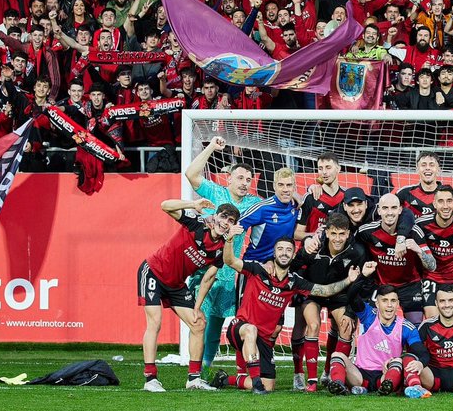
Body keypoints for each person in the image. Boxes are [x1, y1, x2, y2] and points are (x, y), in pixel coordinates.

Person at [215, 237, 357, 394]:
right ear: (274, 253)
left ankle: (225, 379)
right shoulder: (257, 269)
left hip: (263, 340)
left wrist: (349, 280)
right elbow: (229, 260)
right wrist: (228, 241)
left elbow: (325, 291)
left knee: (269, 386)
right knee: (251, 330)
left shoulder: (294, 282)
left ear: (293, 254)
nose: (284, 253)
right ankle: (256, 383)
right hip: (240, 328)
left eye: (288, 250)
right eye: (280, 249)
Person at [138, 198, 239, 392]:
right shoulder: (195, 224)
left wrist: (197, 307)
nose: (226, 222)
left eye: (231, 220)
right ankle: (150, 379)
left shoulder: (221, 250)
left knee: (198, 323)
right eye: (224, 216)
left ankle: (193, 379)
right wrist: (192, 205)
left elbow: (208, 279)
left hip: (175, 284)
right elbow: (164, 206)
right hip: (153, 271)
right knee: (155, 322)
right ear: (216, 216)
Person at [183, 136, 260, 370]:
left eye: (248, 179)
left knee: (217, 322)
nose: (245, 182)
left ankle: (204, 367)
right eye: (240, 177)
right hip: (205, 268)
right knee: (200, 319)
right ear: (229, 179)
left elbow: (278, 206)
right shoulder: (216, 193)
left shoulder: (254, 204)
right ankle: (195, 370)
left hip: (229, 274)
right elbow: (191, 174)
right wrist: (211, 147)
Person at [291, 211, 370, 391]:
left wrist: (350, 312)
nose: (337, 238)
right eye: (333, 233)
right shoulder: (314, 246)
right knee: (312, 325)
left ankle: (331, 372)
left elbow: (360, 283)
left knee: (346, 326)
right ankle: (306, 379)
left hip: (339, 293)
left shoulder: (357, 252)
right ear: (326, 232)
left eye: (342, 234)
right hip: (312, 291)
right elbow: (294, 266)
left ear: (348, 234)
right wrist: (304, 247)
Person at [325, 276, 429, 396]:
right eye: (385, 301)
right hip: (359, 375)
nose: (389, 305)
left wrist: (420, 363)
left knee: (397, 361)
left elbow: (422, 352)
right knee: (337, 355)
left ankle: (386, 387)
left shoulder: (406, 327)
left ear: (398, 304)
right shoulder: (368, 315)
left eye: (393, 301)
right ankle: (338, 385)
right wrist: (363, 276)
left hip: (385, 374)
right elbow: (351, 296)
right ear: (377, 304)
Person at [355, 193, 437, 324]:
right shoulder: (367, 232)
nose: (389, 213)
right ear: (379, 210)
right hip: (381, 285)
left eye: (393, 208)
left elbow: (432, 266)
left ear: (400, 210)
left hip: (410, 286)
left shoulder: (414, 232)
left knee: (415, 325)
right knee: (371, 325)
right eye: (385, 208)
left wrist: (418, 250)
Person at [412, 185, 453, 313]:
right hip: (432, 280)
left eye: (449, 201)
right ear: (434, 204)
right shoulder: (421, 225)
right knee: (433, 320)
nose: (446, 206)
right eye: (441, 201)